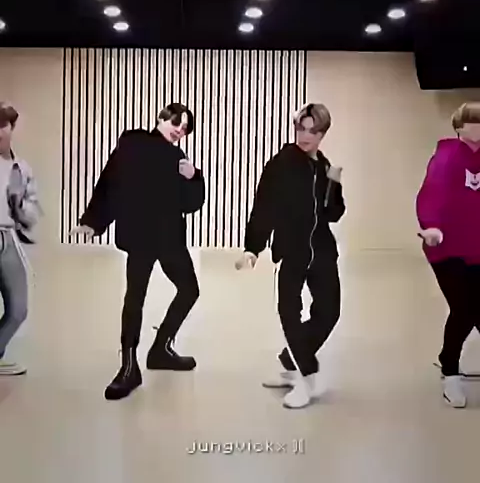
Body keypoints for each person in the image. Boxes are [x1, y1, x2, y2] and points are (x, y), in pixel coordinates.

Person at [71, 103, 205, 401]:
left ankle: (161, 349)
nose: (179, 131)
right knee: (135, 299)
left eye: (185, 129)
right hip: (142, 236)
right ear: (161, 118)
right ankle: (128, 368)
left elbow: (191, 204)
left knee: (189, 290)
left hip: (169, 238)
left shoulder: (178, 158)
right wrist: (93, 222)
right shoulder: (133, 143)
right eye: (176, 123)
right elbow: (110, 182)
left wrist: (194, 176)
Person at [236, 103, 345, 409]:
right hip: (292, 249)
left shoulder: (324, 166)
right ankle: (306, 376)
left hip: (322, 250)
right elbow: (264, 206)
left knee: (330, 312)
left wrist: (334, 185)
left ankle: (290, 359)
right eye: (301, 129)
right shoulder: (281, 164)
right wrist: (253, 247)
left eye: (313, 131)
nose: (305, 136)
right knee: (289, 311)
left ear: (322, 134)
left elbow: (334, 213)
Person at [417, 101, 480, 409]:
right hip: (445, 248)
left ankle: (447, 358)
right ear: (459, 127)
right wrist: (431, 225)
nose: (477, 128)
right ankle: (450, 372)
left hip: (477, 248)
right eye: (472, 122)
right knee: (464, 308)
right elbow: (431, 192)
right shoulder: (447, 156)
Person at [0, 102, 40, 376]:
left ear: (12, 127)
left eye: (3, 125)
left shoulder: (20, 168)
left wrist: (20, 207)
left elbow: (32, 210)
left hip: (7, 238)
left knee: (18, 309)